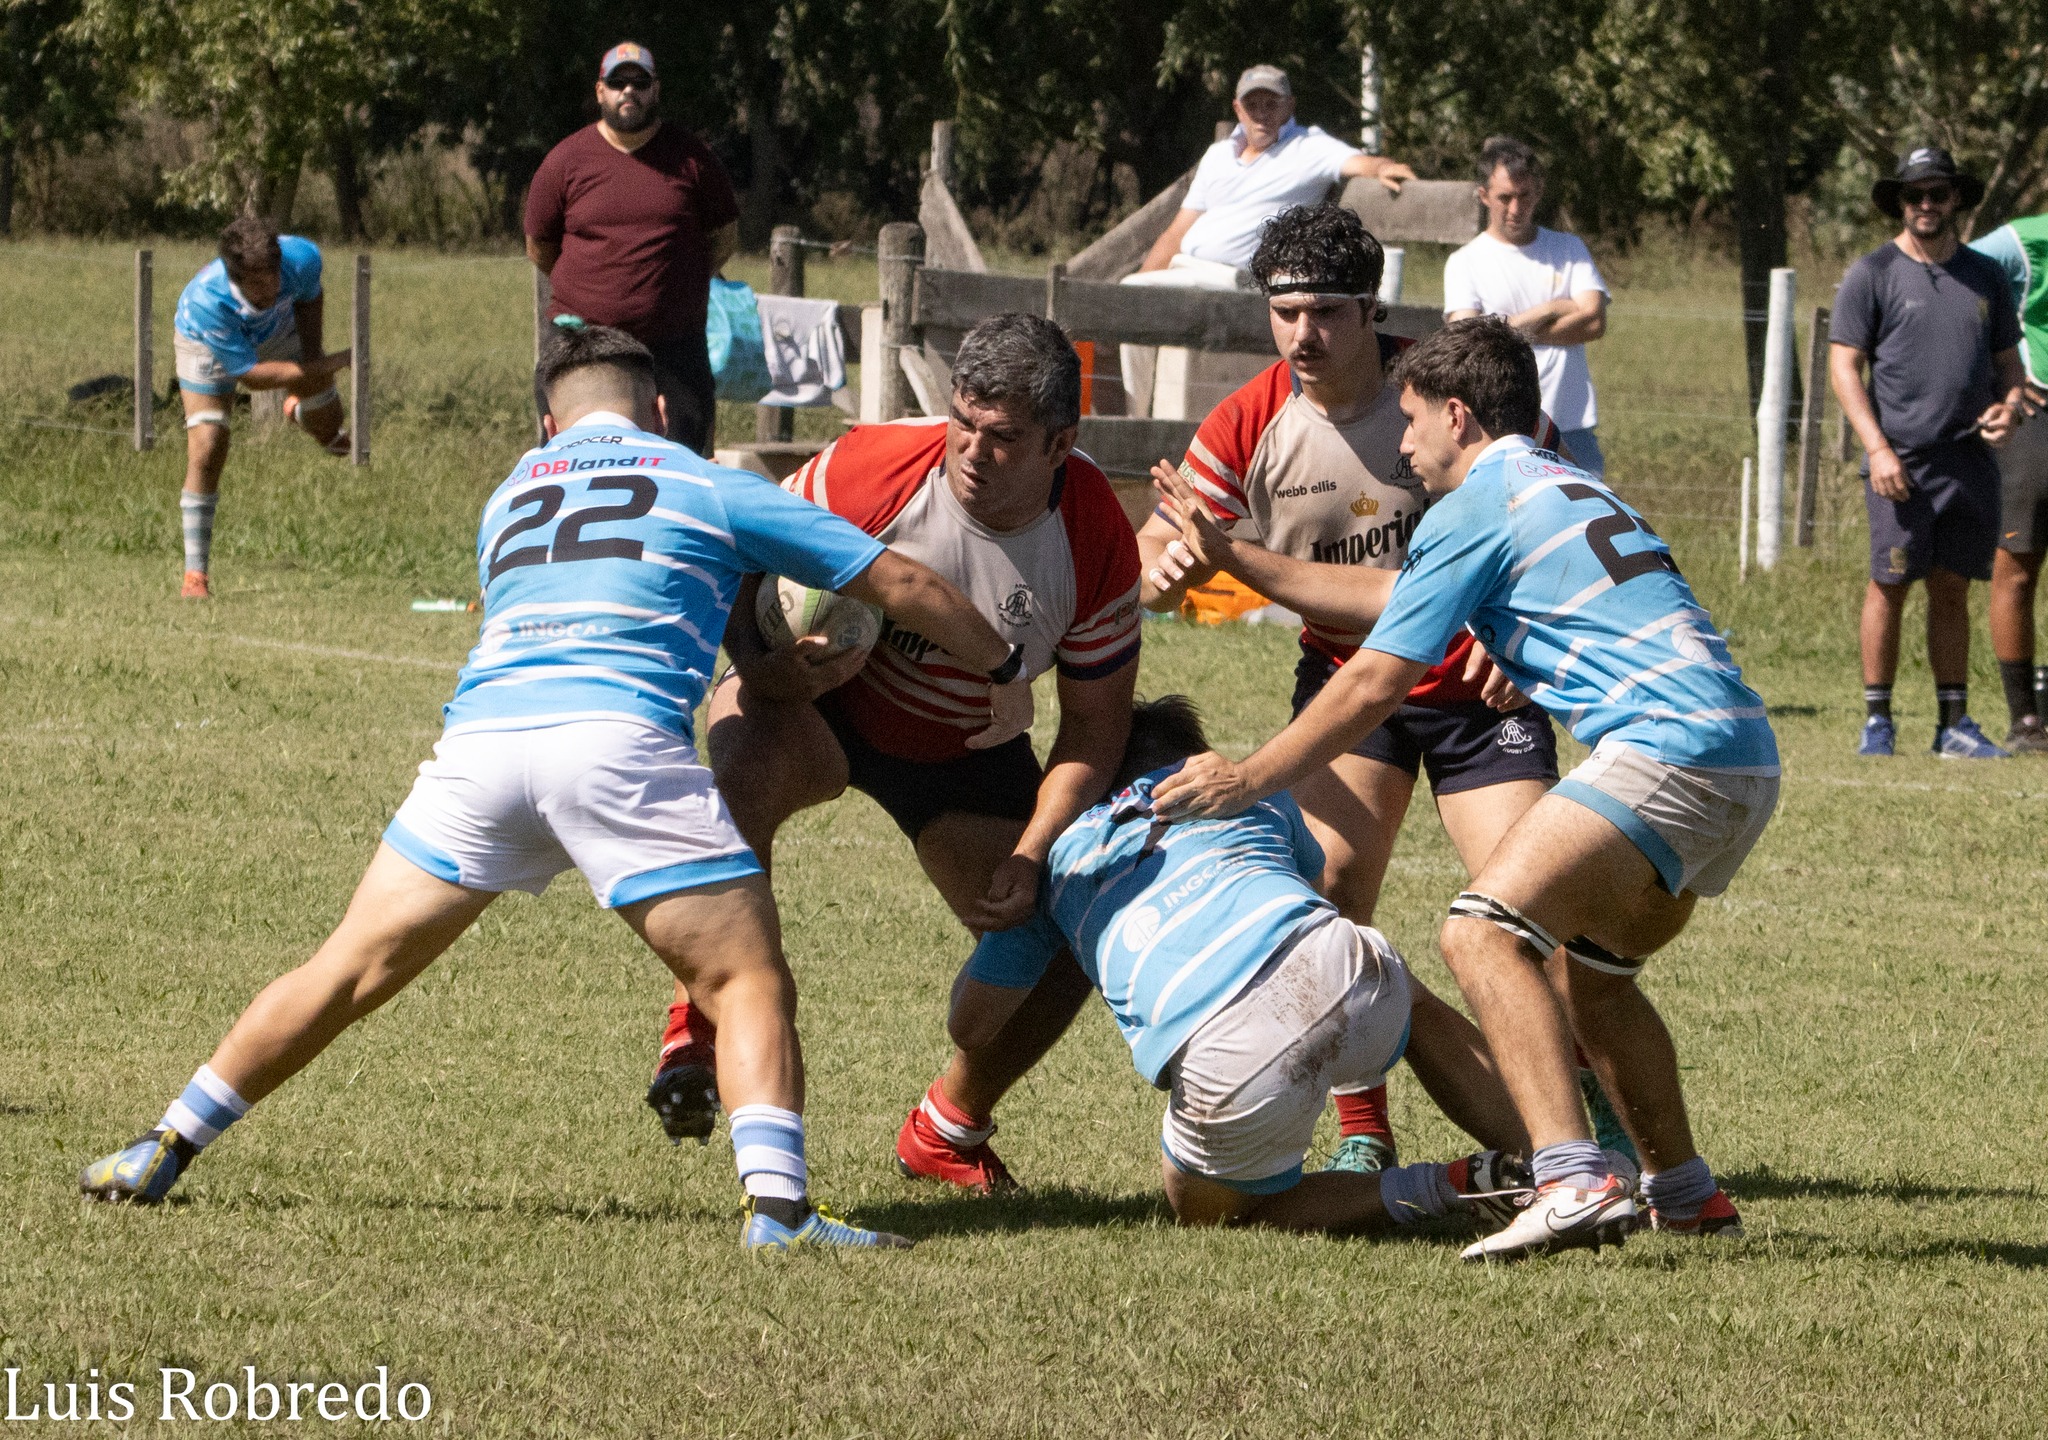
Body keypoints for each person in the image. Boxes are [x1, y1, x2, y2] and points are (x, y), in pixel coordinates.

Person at [78, 320, 1026, 1252]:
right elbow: (897, 579)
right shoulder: (704, 481)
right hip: (614, 744)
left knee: (345, 969)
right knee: (743, 977)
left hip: (482, 748)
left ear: (546, 426)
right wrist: (1003, 659)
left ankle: (165, 1142)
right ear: (657, 410)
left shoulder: (507, 497)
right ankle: (778, 1212)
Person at [1152, 317, 1775, 1261]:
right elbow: (1398, 603)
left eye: (1411, 424)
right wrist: (1237, 559)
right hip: (1744, 757)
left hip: (1664, 750)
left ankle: (1569, 1178)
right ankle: (1687, 1193)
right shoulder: (1564, 485)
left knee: (1479, 932)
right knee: (1596, 979)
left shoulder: (1476, 502)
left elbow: (1371, 678)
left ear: (1457, 415)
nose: (1402, 446)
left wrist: (1249, 776)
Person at [1135, 203, 1596, 1178]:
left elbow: (1554, 516)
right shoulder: (1251, 417)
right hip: (1349, 687)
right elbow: (1159, 540)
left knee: (1528, 915)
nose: (1304, 334)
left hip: (1478, 691)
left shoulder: (1443, 394)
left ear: (1370, 307)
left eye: (1328, 312)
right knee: (1330, 903)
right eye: (1285, 310)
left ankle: (1578, 1104)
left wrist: (1521, 642)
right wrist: (1164, 568)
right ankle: (1362, 1126)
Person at [646, 313, 1144, 1195]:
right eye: (962, 421)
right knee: (738, 770)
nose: (972, 451)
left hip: (961, 752)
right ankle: (698, 1024)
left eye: (1004, 437)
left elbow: (1095, 730)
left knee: (1063, 940)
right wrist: (763, 668)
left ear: (1061, 442)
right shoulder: (869, 466)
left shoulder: (1097, 535)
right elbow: (731, 558)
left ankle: (948, 1128)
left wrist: (1032, 854)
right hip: (819, 709)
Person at [952, 695, 1537, 1235]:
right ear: (1192, 758)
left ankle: (1444, 1187)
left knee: (1209, 1211)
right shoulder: (1242, 790)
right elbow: (1306, 885)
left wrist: (1025, 926)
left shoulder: (1054, 862)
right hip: (1340, 965)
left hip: (1227, 1050)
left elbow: (972, 1025)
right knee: (1411, 998)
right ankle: (1558, 1162)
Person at [1831, 146, 2028, 759]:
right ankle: (1877, 722)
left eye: (1938, 194)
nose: (1926, 205)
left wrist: (2011, 408)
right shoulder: (1873, 273)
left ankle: (1954, 725)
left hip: (1968, 462)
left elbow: (2009, 368)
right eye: (1915, 195)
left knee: (1952, 589)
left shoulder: (1985, 276)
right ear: (1900, 202)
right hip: (1900, 464)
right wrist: (1878, 448)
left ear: (1955, 201)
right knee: (1888, 583)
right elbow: (1842, 366)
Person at [524, 42, 739, 454]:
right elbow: (540, 246)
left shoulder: (694, 159)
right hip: (584, 347)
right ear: (599, 91)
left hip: (674, 350)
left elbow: (723, 239)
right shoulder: (565, 160)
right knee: (573, 463)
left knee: (685, 464)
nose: (629, 91)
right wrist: (596, 289)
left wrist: (675, 282)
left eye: (639, 82)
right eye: (617, 82)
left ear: (655, 90)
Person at [171, 217, 353, 600]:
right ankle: (195, 575)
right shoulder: (208, 300)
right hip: (207, 345)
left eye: (272, 277)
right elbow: (250, 377)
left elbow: (308, 295)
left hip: (278, 329)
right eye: (255, 283)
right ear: (233, 276)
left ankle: (298, 412)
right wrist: (329, 364)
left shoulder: (301, 258)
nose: (268, 287)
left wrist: (312, 355)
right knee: (208, 442)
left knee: (331, 426)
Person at [1133, 65, 1414, 288]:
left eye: (1271, 103)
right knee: (1122, 301)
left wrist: (1381, 168)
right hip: (1186, 269)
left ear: (1289, 106)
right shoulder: (1218, 155)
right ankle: (1098, 349)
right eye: (1252, 105)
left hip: (1238, 280)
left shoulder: (1308, 147)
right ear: (1237, 109)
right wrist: (1137, 282)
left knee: (1139, 305)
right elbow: (1178, 231)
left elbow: (1359, 162)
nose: (1261, 114)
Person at [1443, 137, 1610, 476]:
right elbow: (1468, 343)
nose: (1516, 209)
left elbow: (1593, 321)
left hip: (1571, 425)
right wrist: (1551, 307)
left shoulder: (1568, 248)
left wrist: (1505, 330)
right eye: (1505, 197)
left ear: (1538, 193)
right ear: (1484, 195)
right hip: (1500, 430)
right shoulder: (1465, 262)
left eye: (1525, 196)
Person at [1968, 209, 2048, 751]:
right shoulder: (2023, 240)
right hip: (2039, 417)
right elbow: (1955, 277)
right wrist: (2002, 383)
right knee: (2016, 569)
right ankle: (2026, 722)